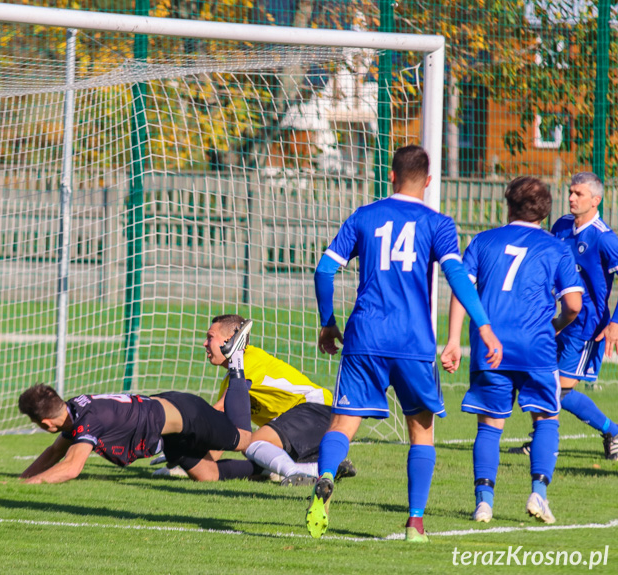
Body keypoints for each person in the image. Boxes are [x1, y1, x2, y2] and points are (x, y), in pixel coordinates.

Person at [306, 145, 503, 542]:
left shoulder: (365, 215)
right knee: (421, 431)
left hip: (365, 337)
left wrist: (328, 322)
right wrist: (481, 325)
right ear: (428, 182)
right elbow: (457, 277)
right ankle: (415, 522)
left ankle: (326, 477)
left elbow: (324, 269)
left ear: (391, 176)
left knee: (343, 423)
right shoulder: (439, 223)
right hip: (413, 342)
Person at [442, 176, 583, 525]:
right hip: (536, 346)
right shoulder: (555, 248)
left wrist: (453, 341)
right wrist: (554, 327)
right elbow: (574, 306)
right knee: (547, 417)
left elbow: (463, 290)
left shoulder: (483, 241)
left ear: (508, 204)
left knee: (490, 426)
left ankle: (484, 503)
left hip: (492, 346)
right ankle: (539, 493)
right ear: (545, 211)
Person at [18, 322, 255, 483]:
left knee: (244, 439)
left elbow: (71, 467)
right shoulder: (74, 411)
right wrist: (21, 482)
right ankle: (265, 471)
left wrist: (30, 485)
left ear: (46, 423)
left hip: (186, 414)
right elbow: (53, 453)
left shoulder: (86, 421)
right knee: (207, 475)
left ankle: (236, 363)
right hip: (169, 423)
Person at [507, 172, 618, 461]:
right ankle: (540, 438)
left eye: (578, 194)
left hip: (586, 326)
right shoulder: (561, 227)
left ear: (596, 200)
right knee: (537, 379)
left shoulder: (605, 239)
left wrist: (615, 323)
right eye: (570, 192)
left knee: (558, 391)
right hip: (555, 321)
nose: (571, 197)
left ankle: (613, 430)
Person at [206, 314, 356, 485]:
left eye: (210, 337)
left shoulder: (248, 359)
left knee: (252, 443)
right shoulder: (230, 378)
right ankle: (319, 469)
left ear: (229, 339)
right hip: (308, 427)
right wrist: (200, 464)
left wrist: (184, 435)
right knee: (259, 457)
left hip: (315, 409)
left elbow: (218, 413)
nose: (205, 344)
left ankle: (294, 473)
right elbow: (222, 431)